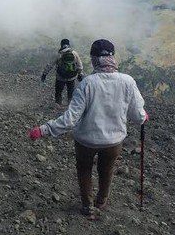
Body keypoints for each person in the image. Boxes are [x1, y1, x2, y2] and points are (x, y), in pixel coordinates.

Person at [29, 39, 148, 220]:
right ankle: (102, 200)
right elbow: (138, 116)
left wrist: (44, 130)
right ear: (112, 57)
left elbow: (70, 120)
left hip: (86, 140)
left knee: (84, 169)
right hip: (114, 140)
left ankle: (88, 206)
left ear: (94, 59)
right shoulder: (128, 82)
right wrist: (143, 116)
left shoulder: (87, 84)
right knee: (106, 170)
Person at [41, 38, 84, 106]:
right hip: (72, 77)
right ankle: (70, 106)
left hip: (60, 77)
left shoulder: (59, 54)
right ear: (69, 45)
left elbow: (50, 65)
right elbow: (80, 65)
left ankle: (58, 105)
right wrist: (80, 74)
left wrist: (44, 74)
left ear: (61, 45)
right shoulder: (74, 53)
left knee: (58, 91)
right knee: (71, 92)